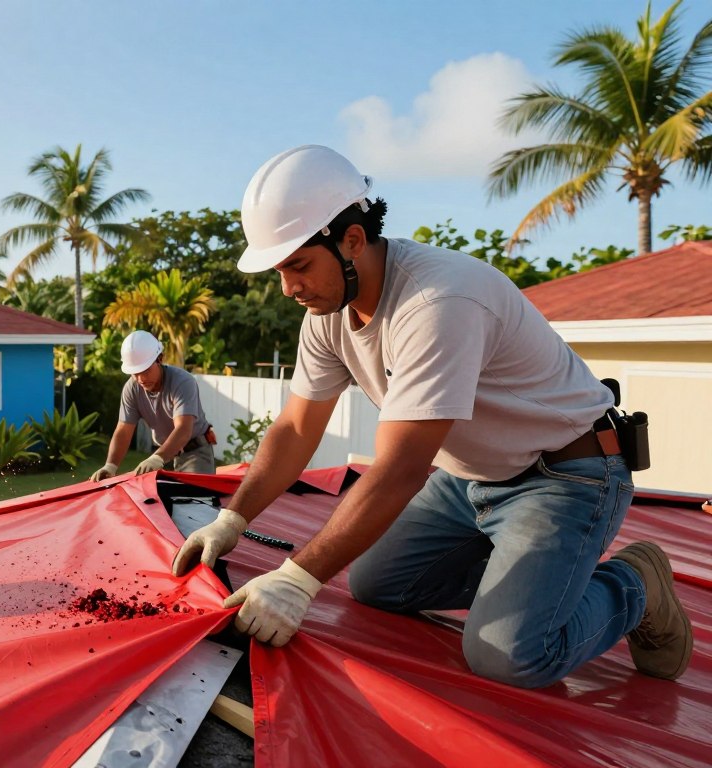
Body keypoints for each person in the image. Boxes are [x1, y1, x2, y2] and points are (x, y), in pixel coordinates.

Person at [173, 145, 691, 688]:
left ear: (352, 240)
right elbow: (297, 428)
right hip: (470, 477)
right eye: (280, 270)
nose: (288, 288)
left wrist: (296, 580)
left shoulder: (437, 302)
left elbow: (401, 469)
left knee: (509, 656)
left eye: (299, 265)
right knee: (376, 584)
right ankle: (532, 580)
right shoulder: (329, 313)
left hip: (564, 474)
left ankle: (635, 583)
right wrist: (232, 520)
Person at [90, 330, 216, 481]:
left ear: (160, 359)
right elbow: (123, 430)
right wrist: (110, 465)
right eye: (135, 373)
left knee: (194, 494)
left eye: (146, 371)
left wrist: (158, 458)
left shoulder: (182, 382)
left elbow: (183, 429)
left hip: (194, 452)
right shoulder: (132, 389)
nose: (141, 379)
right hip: (163, 453)